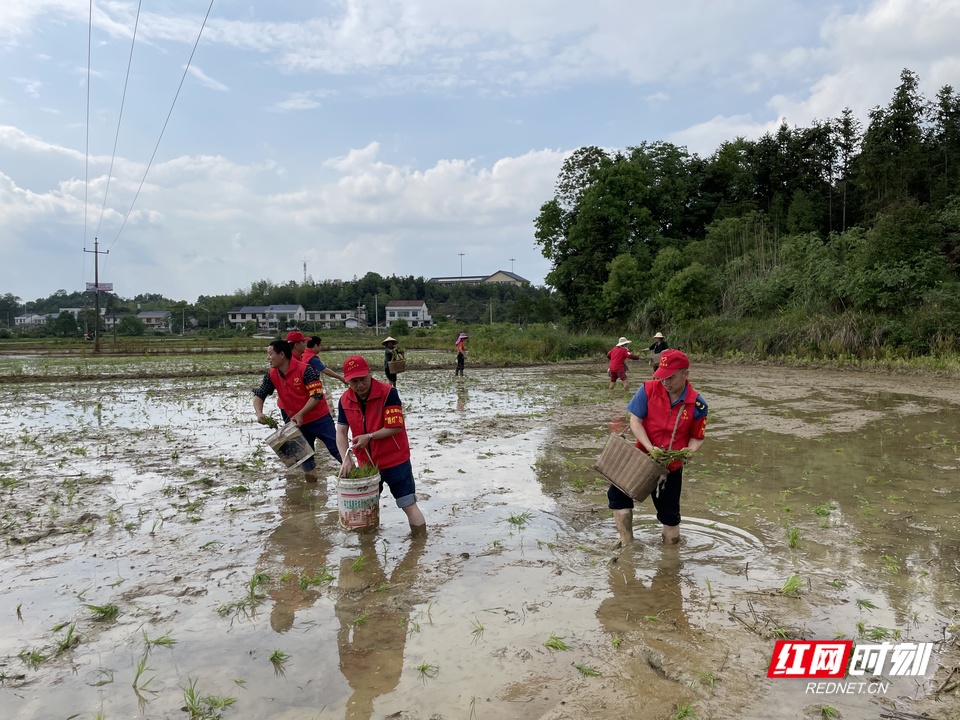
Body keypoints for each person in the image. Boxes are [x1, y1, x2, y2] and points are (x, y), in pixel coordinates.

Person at [608, 349, 707, 546]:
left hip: (670, 466)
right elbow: (635, 422)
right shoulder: (647, 390)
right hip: (641, 458)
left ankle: (670, 559)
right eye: (662, 377)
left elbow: (697, 437)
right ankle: (627, 544)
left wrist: (690, 451)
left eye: (670, 377)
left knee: (670, 515)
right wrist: (649, 447)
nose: (665, 382)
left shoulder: (697, 405)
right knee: (618, 496)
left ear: (685, 374)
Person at [335, 355, 426, 534]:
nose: (360, 385)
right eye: (354, 381)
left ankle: (420, 546)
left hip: (395, 461)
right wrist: (345, 460)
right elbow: (341, 432)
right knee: (365, 509)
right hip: (367, 464)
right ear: (347, 381)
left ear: (370, 373)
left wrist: (369, 436)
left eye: (363, 379)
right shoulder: (345, 400)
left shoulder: (388, 393)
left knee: (408, 505)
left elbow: (395, 427)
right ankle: (368, 553)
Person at [253, 339, 342, 482]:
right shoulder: (271, 374)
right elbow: (260, 394)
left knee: (336, 449)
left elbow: (317, 395)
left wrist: (301, 413)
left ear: (282, 355)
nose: (267, 358)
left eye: (270, 354)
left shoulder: (305, 369)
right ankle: (311, 488)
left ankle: (357, 475)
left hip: (319, 418)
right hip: (296, 421)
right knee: (304, 459)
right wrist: (259, 413)